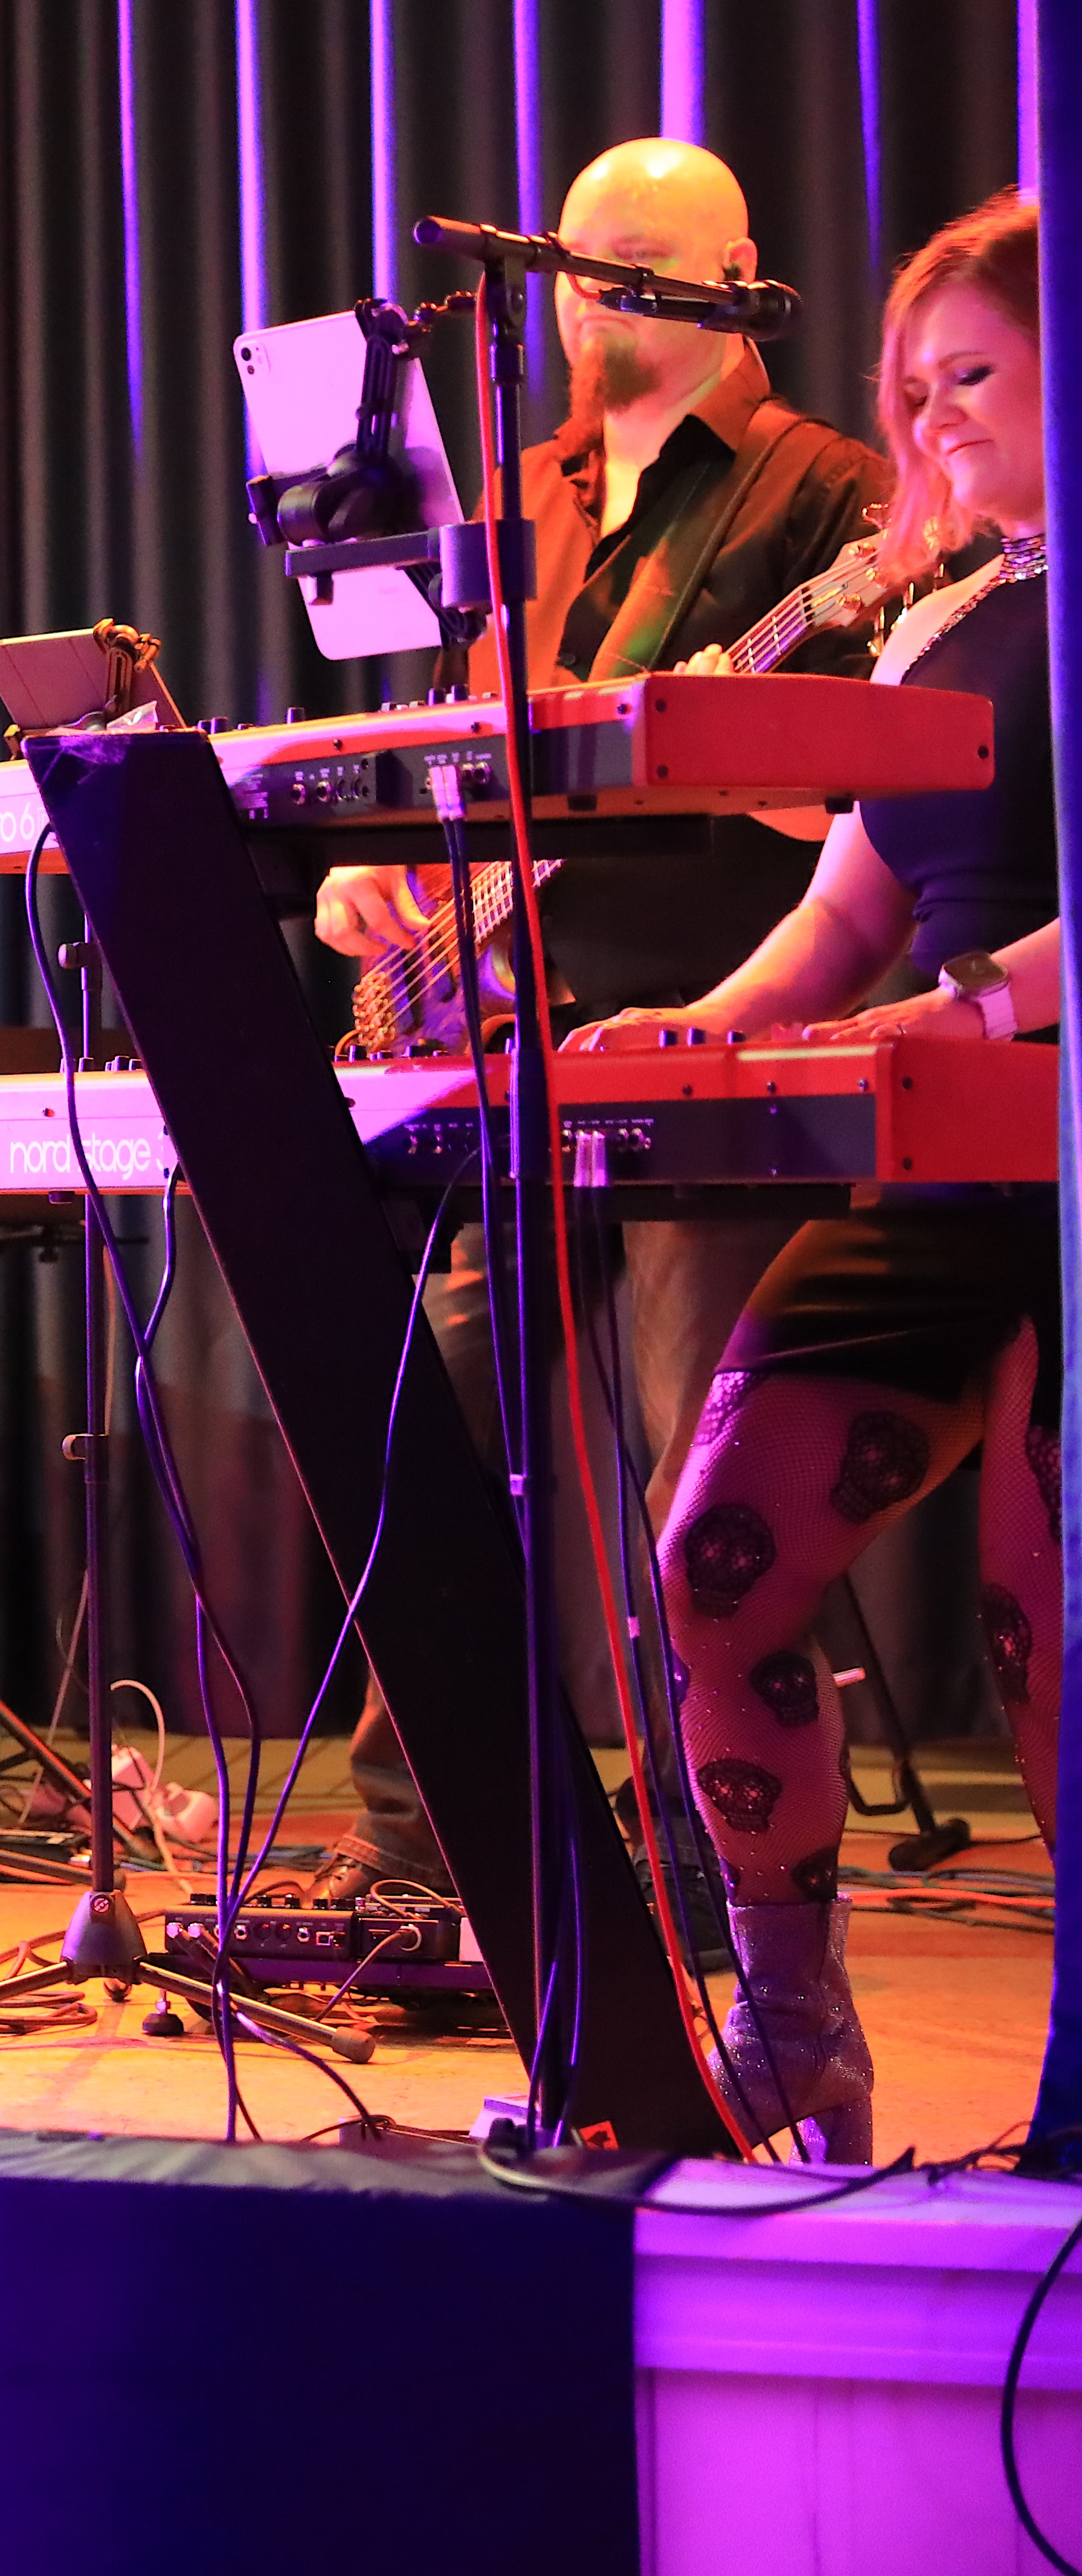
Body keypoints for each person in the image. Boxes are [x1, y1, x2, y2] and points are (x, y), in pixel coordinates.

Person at [297, 138, 890, 1905]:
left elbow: (882, 791)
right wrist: (378, 871)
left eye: (635, 260)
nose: (589, 298)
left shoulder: (826, 494)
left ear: (736, 278)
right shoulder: (521, 493)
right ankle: (427, 1840)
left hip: (712, 1037)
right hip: (508, 1029)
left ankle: (725, 1867)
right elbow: (455, 748)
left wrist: (722, 747)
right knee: (443, 1444)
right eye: (574, 261)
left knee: (704, 1479)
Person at [581, 190, 1060, 2160]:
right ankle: (792, 2036)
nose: (929, 417)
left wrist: (976, 1005)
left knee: (1048, 1636)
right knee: (713, 1568)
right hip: (938, 1156)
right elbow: (838, 917)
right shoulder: (947, 618)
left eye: (973, 375)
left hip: (1056, 1142)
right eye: (911, 385)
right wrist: (690, 1029)